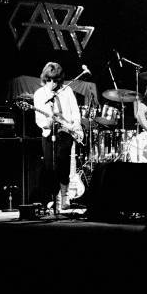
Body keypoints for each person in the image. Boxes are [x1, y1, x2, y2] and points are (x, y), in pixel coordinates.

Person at [33, 62, 82, 212]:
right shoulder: (40, 94)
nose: (52, 84)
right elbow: (39, 120)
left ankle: (65, 198)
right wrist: (48, 122)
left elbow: (75, 111)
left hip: (66, 133)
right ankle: (52, 198)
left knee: (63, 163)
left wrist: (76, 125)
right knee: (50, 166)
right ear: (45, 79)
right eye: (49, 80)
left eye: (55, 81)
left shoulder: (67, 91)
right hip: (49, 134)